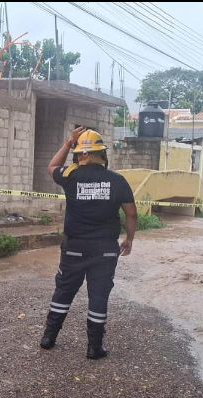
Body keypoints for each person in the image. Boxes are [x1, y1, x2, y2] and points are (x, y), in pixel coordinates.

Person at [40, 127, 137, 359]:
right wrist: (130, 238)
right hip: (105, 250)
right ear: (102, 153)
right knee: (99, 295)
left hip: (74, 247)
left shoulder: (70, 176)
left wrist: (67, 143)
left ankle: (48, 338)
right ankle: (94, 348)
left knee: (64, 290)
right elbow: (131, 213)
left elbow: (51, 166)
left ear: (80, 154)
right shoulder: (117, 180)